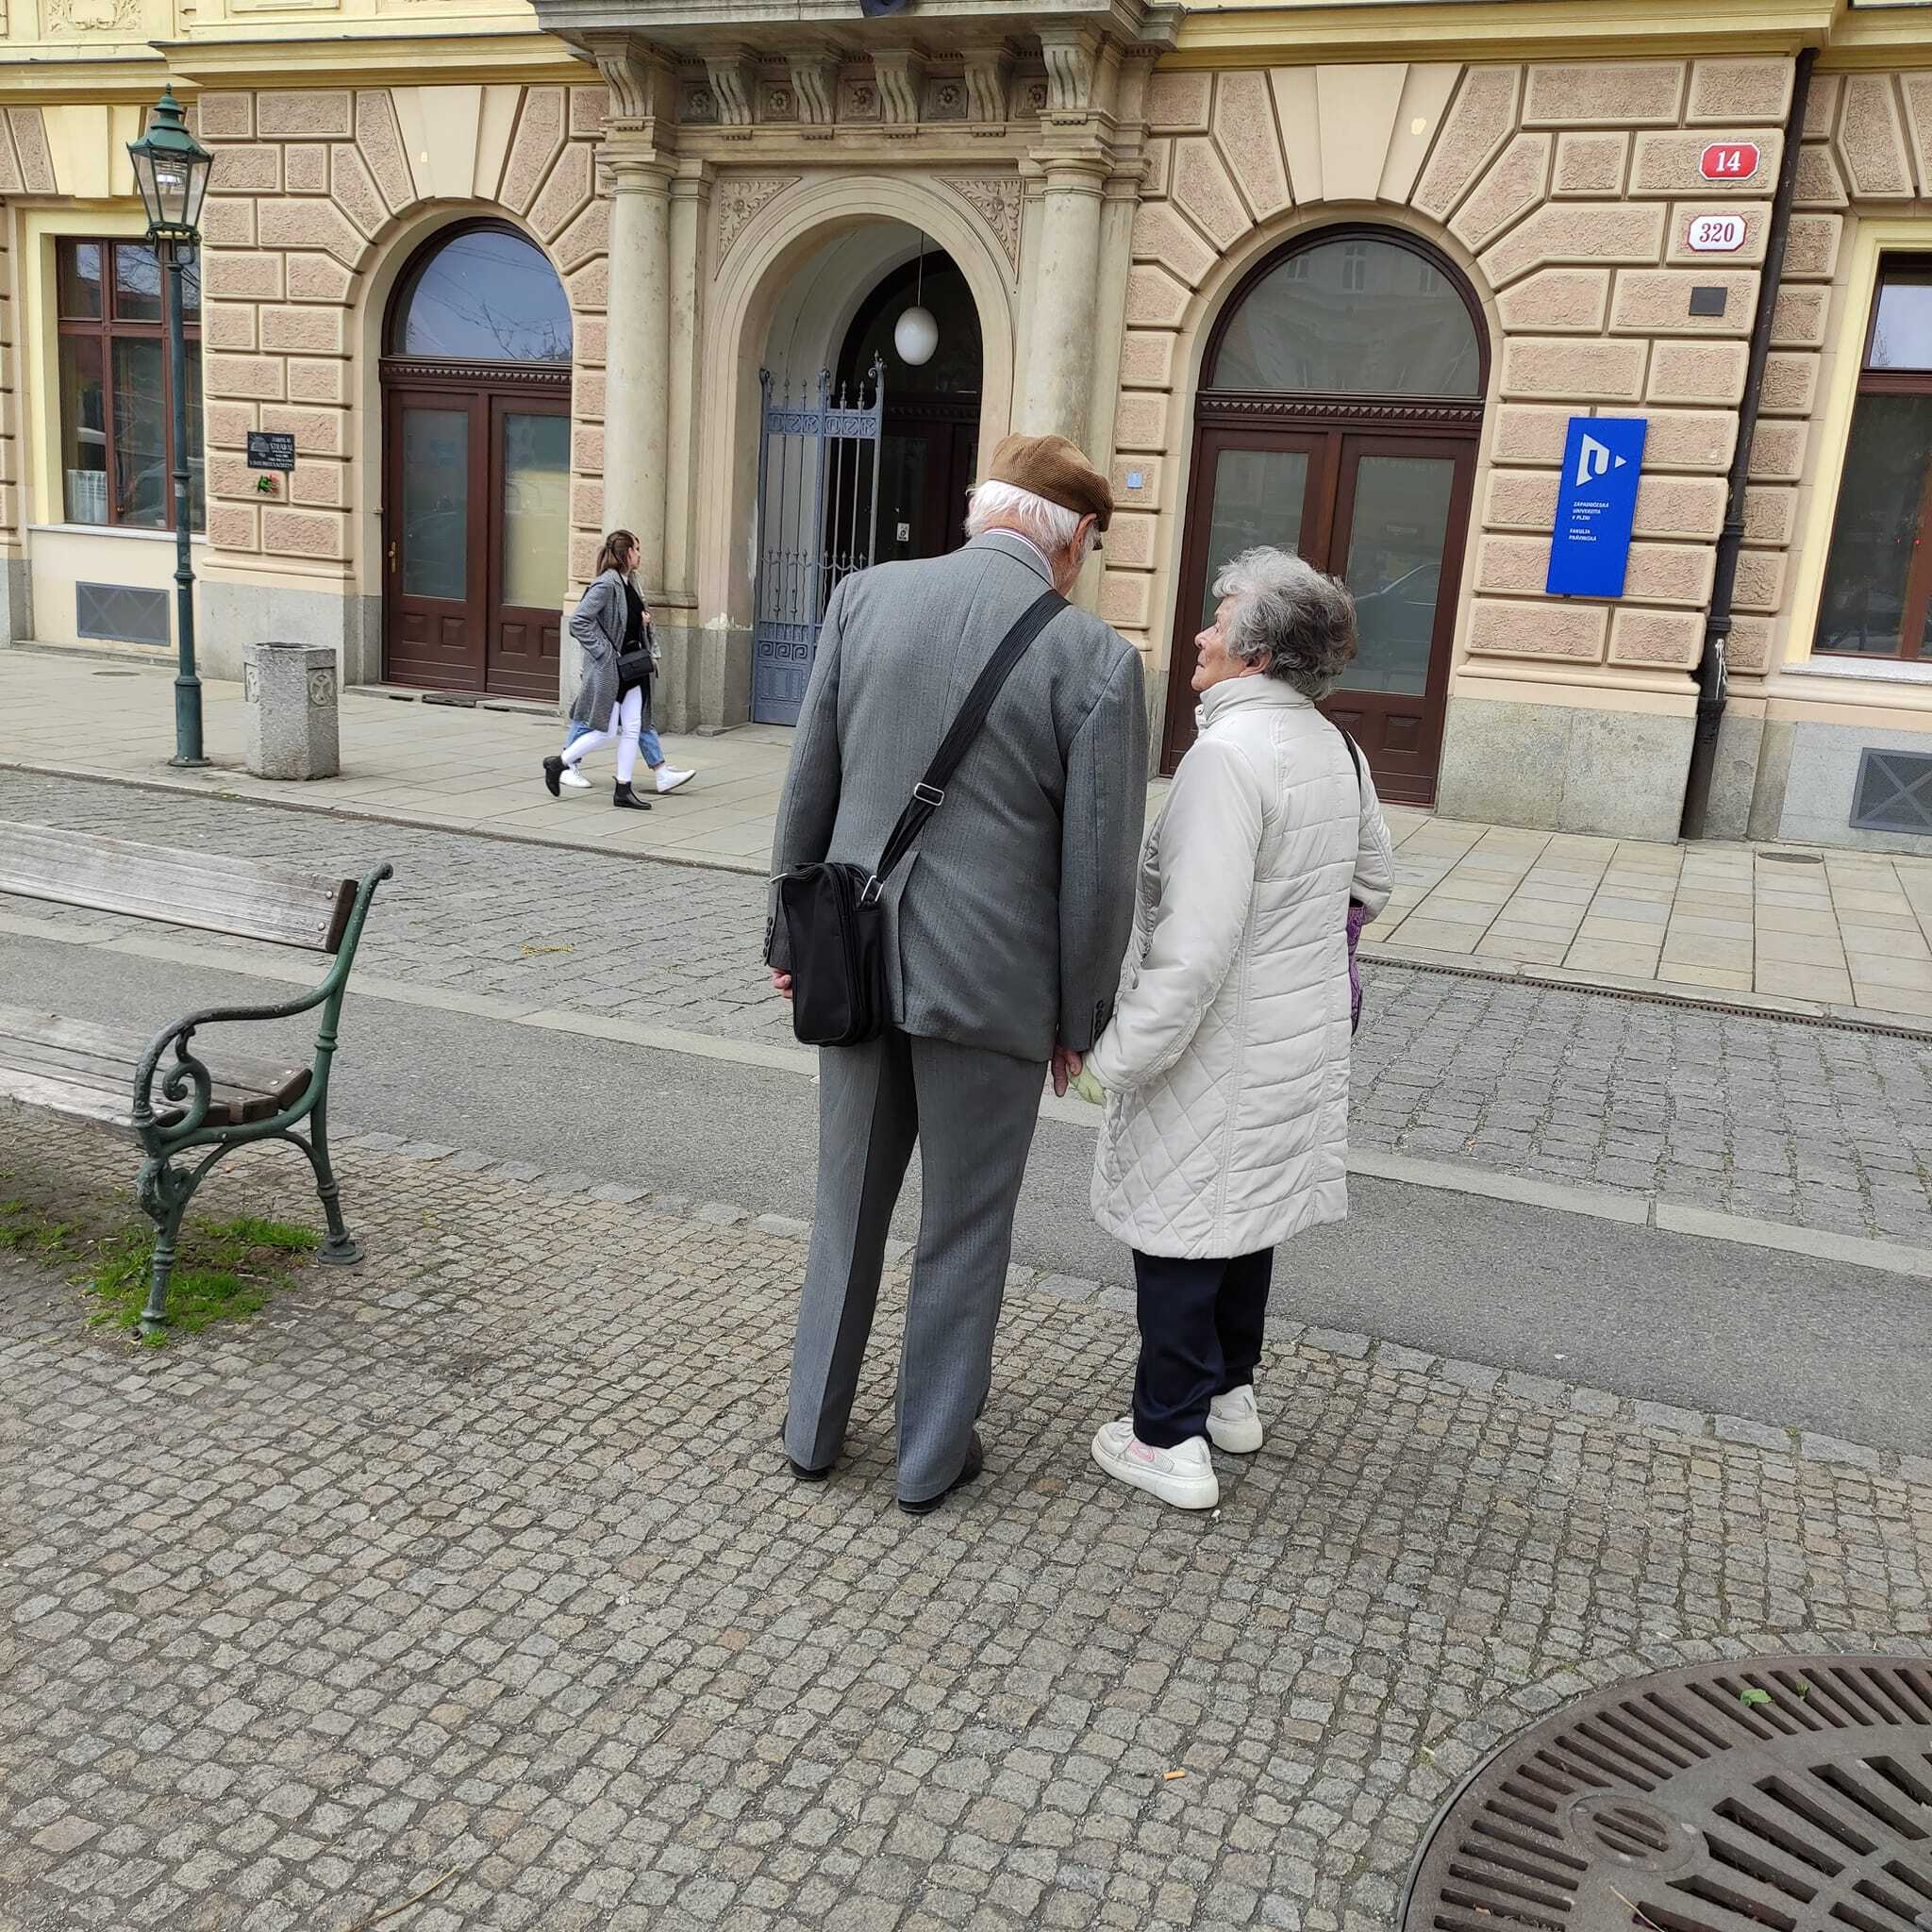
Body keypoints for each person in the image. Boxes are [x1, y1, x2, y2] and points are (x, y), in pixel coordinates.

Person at [768, 434, 1147, 1515]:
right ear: (1075, 535)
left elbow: (808, 782)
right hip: (992, 985)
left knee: (845, 1208)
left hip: (855, 961)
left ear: (983, 510)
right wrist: (1079, 1015)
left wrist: (790, 938)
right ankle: (928, 1458)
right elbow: (1097, 873)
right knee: (964, 1228)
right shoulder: (1096, 658)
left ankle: (811, 1431)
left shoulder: (865, 598)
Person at [1080, 547, 1394, 1513]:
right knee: (1244, 1212)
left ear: (1256, 655)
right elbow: (1372, 879)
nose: (1198, 634)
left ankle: (1165, 1438)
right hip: (1298, 1031)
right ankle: (1229, 1397)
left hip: (1216, 1038)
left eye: (1218, 620)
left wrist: (1114, 1058)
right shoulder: (1333, 745)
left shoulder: (1225, 757)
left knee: (1181, 1226)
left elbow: (1195, 945)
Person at [543, 530, 690, 808]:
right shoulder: (607, 583)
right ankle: (558, 763)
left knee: (633, 728)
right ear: (626, 553)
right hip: (615, 669)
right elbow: (579, 622)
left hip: (633, 668)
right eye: (636, 549)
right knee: (605, 731)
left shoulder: (628, 581)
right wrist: (604, 652)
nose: (640, 555)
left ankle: (623, 789)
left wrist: (642, 622)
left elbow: (625, 620)